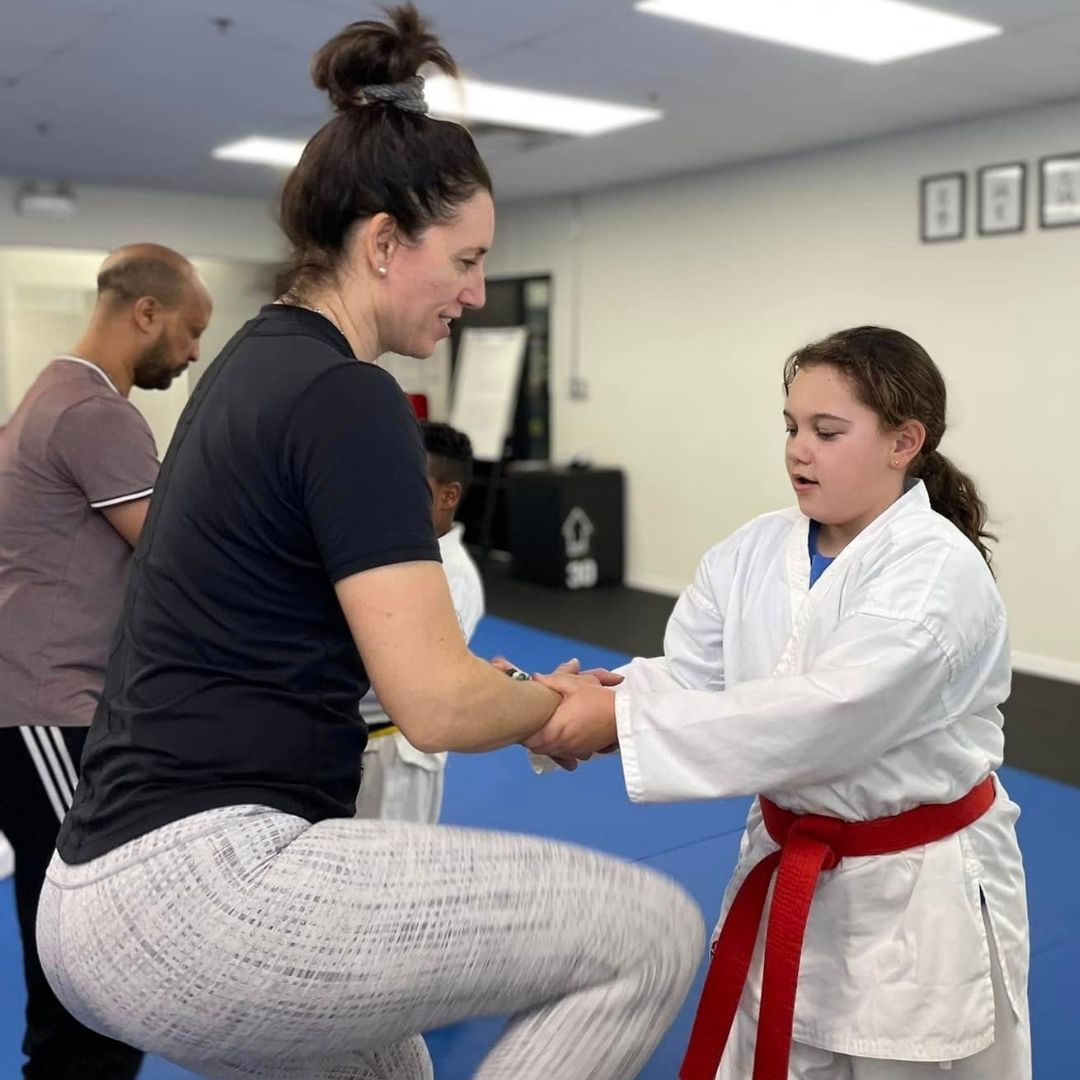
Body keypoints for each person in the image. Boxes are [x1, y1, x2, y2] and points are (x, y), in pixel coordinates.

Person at [35, 8, 704, 1080]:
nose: (478, 293)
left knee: (395, 1070)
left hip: (105, 881)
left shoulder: (249, 368)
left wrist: (490, 682)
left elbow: (311, 645)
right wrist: (578, 711)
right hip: (199, 884)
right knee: (649, 933)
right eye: (468, 260)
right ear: (384, 241)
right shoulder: (348, 399)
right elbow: (436, 706)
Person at [523, 327, 1030, 1080]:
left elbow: (829, 715)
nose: (798, 450)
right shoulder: (753, 551)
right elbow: (692, 676)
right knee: (773, 1044)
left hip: (911, 900)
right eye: (791, 427)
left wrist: (618, 723)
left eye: (827, 432)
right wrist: (577, 703)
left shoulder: (936, 574)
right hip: (786, 867)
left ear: (904, 442)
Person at [0, 243, 211, 1080]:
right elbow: (180, 562)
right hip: (49, 706)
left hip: (47, 702)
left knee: (69, 923)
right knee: (90, 933)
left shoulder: (51, 395)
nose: (195, 351)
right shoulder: (93, 412)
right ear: (146, 314)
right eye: (192, 330)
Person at [356, 421, 484, 824]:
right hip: (354, 740)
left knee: (388, 877)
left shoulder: (454, 577)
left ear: (448, 495)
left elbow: (425, 680)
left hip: (398, 754)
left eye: (411, 484)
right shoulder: (394, 549)